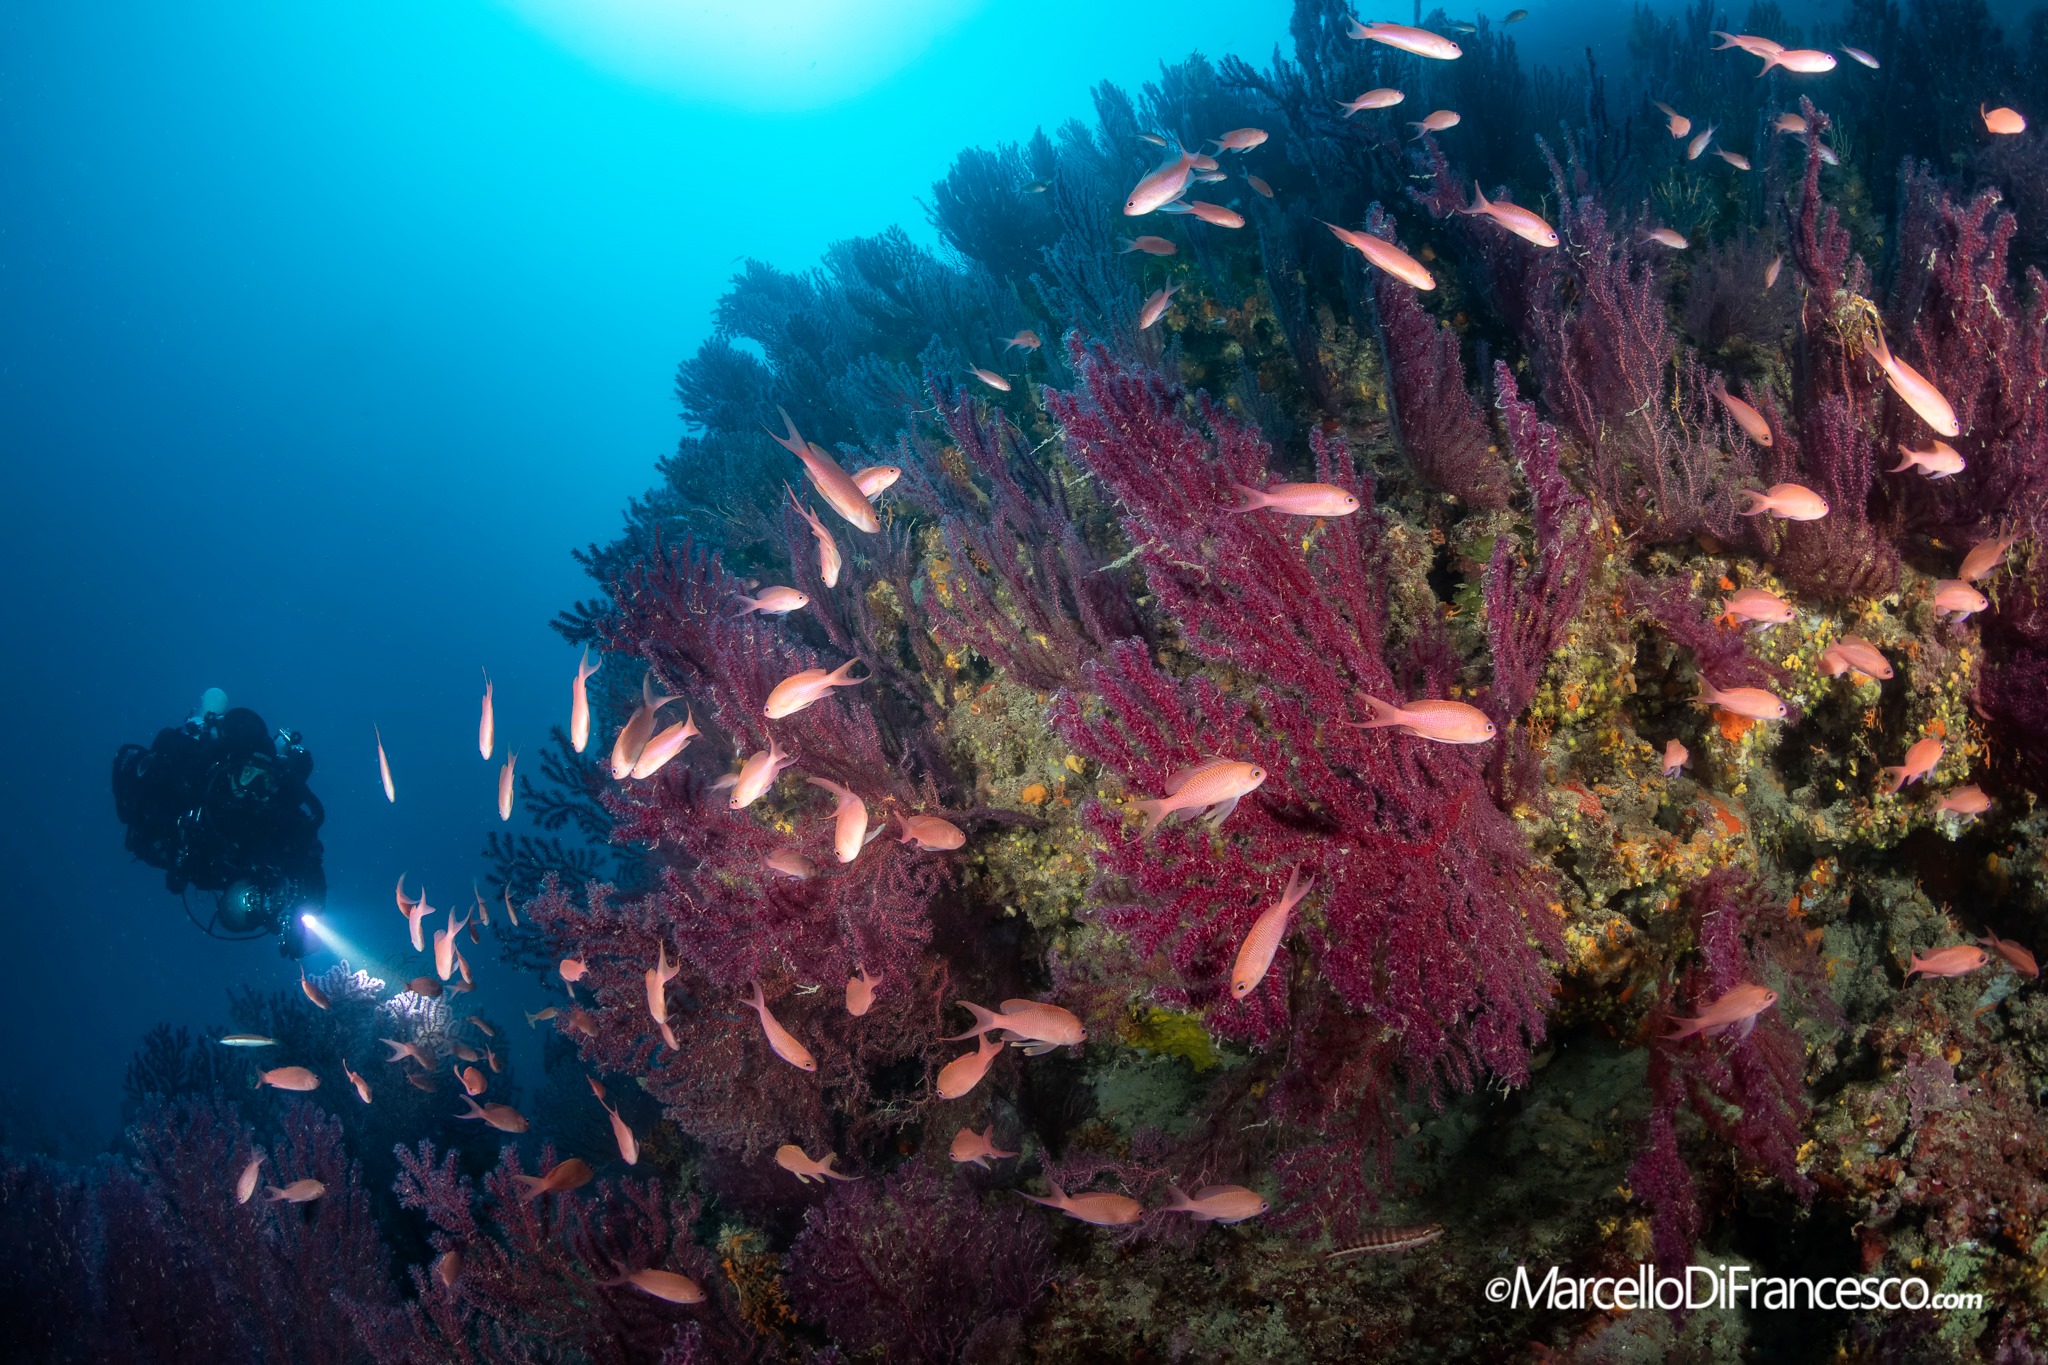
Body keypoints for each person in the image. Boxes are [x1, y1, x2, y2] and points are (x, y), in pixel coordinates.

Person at [112, 688, 326, 957]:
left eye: (265, 781)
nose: (255, 788)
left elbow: (309, 864)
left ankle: (215, 720)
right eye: (248, 774)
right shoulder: (199, 789)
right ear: (231, 773)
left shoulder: (275, 818)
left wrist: (306, 918)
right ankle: (204, 719)